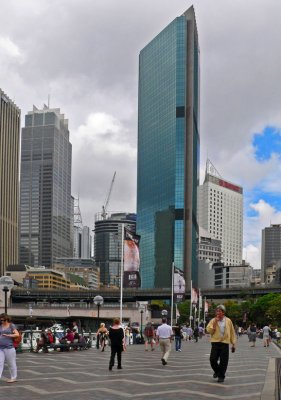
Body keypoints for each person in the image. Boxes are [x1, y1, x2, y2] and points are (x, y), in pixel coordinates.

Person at [206, 304, 236, 383]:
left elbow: (232, 332)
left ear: (223, 312)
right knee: (212, 359)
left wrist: (233, 343)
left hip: (225, 342)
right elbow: (209, 330)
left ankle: (221, 376)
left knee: (224, 360)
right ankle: (217, 371)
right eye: (217, 311)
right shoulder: (213, 320)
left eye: (219, 311)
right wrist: (215, 324)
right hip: (215, 342)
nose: (218, 313)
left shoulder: (228, 321)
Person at [0, 313, 20, 383]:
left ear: (7, 319)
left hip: (9, 347)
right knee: (0, 363)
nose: (2, 321)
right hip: (0, 348)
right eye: (1, 320)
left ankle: (13, 377)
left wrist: (8, 335)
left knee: (11, 363)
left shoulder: (11, 325)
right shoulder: (0, 326)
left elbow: (17, 334)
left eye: (3, 320)